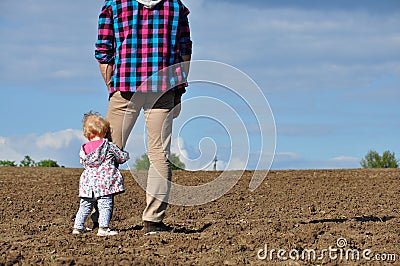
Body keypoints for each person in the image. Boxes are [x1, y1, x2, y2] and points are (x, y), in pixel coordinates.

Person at [95, 0, 192, 235]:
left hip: (125, 86)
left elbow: (103, 50)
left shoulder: (115, 4)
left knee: (107, 153)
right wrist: (179, 90)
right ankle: (153, 222)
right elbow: (184, 52)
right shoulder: (176, 6)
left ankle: (99, 218)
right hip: (162, 88)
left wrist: (111, 85)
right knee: (159, 155)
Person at [72, 112, 130, 237]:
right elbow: (121, 157)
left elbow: (83, 162)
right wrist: (126, 155)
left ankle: (77, 227)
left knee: (85, 206)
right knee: (105, 205)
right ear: (104, 132)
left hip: (87, 183)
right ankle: (103, 228)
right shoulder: (109, 146)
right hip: (104, 182)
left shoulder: (84, 149)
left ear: (87, 134)